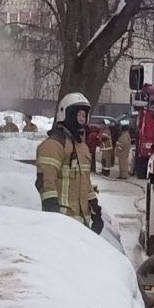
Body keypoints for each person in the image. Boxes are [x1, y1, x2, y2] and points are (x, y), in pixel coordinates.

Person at [34, 92, 101, 232]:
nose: (82, 119)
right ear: (66, 114)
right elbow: (46, 181)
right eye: (78, 115)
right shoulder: (53, 145)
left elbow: (85, 182)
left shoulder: (82, 147)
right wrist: (51, 211)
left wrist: (95, 207)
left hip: (82, 224)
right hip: (62, 223)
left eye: (84, 115)